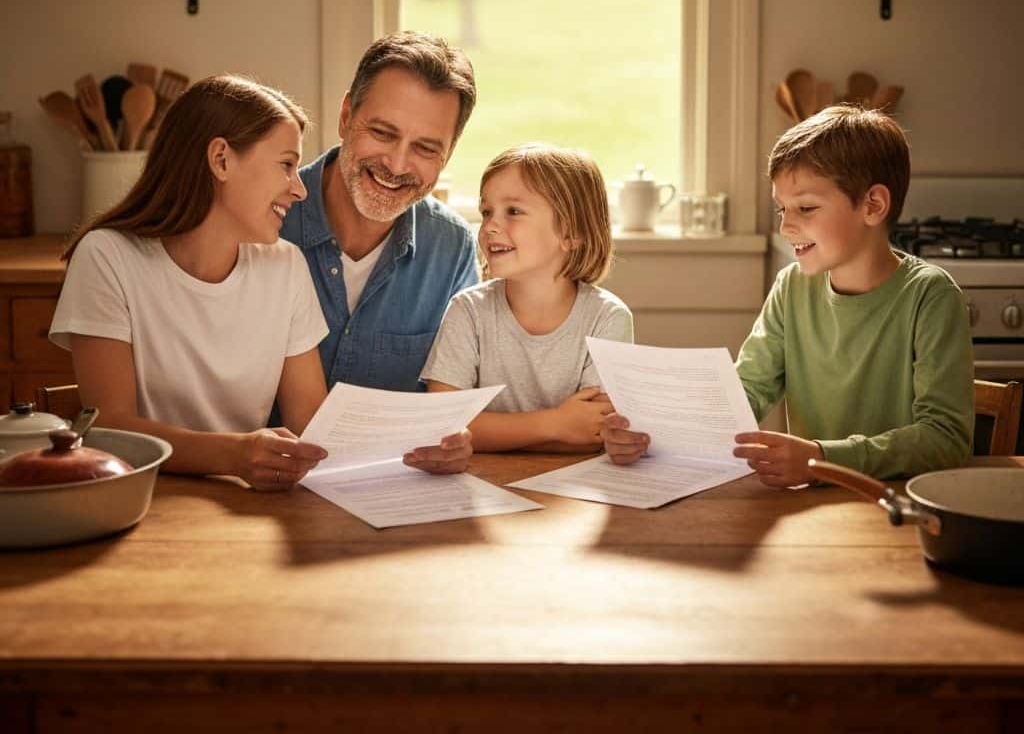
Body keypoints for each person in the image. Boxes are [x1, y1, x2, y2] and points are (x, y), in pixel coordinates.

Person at [49, 75, 471, 491]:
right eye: (286, 165)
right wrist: (233, 455)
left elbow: (311, 423)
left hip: (246, 502)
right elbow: (109, 426)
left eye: (425, 146)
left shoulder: (284, 264)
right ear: (221, 160)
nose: (299, 189)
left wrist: (425, 445)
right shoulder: (107, 257)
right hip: (146, 495)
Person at [603, 105, 974, 484]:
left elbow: (945, 438)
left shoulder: (930, 296)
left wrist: (823, 459)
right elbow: (746, 391)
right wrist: (653, 434)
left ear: (873, 205)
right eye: (781, 208)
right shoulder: (791, 287)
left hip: (894, 509)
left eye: (806, 208)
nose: (785, 225)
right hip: (811, 505)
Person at [278, 32, 479, 398]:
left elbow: (458, 399)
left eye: (425, 147)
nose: (397, 164)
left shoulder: (452, 249)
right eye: (383, 133)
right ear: (345, 116)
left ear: (447, 155)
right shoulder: (268, 220)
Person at [422, 143, 634, 451]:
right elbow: (443, 424)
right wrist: (556, 424)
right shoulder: (466, 311)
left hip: (573, 490)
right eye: (486, 211)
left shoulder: (608, 318)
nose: (490, 226)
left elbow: (592, 432)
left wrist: (487, 431)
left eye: (514, 211)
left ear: (571, 233)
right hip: (479, 484)